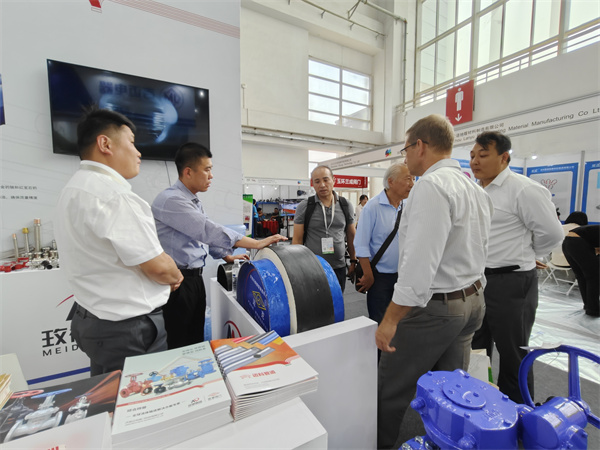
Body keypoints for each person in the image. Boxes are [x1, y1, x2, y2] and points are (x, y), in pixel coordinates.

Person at [376, 114, 493, 449]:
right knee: (452, 391)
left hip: (437, 307)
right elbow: (481, 248)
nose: (406, 158)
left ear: (420, 146)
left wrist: (390, 319)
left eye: (405, 150)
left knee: (391, 388)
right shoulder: (473, 187)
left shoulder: (431, 186)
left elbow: (418, 267)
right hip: (472, 300)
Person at [55, 108, 183, 376]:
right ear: (105, 144)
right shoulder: (115, 196)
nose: (138, 153)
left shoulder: (74, 188)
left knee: (108, 393)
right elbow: (159, 268)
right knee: (143, 396)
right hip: (128, 331)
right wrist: (175, 274)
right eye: (132, 143)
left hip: (93, 319)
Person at [152, 143, 286, 349]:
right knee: (179, 342)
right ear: (188, 172)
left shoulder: (192, 200)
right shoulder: (171, 200)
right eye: (207, 170)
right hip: (178, 283)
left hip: (193, 279)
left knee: (195, 338)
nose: (211, 176)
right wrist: (256, 243)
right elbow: (207, 230)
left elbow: (201, 236)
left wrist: (227, 256)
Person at [469, 131, 564, 404]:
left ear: (504, 157)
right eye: (473, 155)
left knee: (513, 353)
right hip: (477, 281)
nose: (475, 161)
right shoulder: (475, 191)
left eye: (483, 155)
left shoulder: (524, 189)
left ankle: (518, 413)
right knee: (476, 348)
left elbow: (552, 234)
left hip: (511, 282)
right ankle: (480, 408)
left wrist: (527, 254)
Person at [353, 163, 414, 325]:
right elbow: (361, 244)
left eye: (413, 179)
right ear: (391, 181)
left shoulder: (407, 206)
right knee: (380, 323)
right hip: (379, 278)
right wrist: (368, 275)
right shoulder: (372, 207)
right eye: (408, 179)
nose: (412, 184)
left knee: (402, 324)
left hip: (403, 278)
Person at [292, 165, 357, 292]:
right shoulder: (305, 206)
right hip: (313, 267)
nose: (322, 185)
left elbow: (351, 235)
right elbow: (297, 239)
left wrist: (353, 260)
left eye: (326, 180)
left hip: (339, 266)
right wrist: (297, 267)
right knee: (315, 301)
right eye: (317, 181)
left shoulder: (345, 205)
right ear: (312, 184)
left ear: (334, 180)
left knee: (337, 300)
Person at [562, 224, 599, 317]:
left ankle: (589, 305)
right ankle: (593, 309)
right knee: (594, 276)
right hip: (578, 243)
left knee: (582, 276)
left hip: (567, 242)